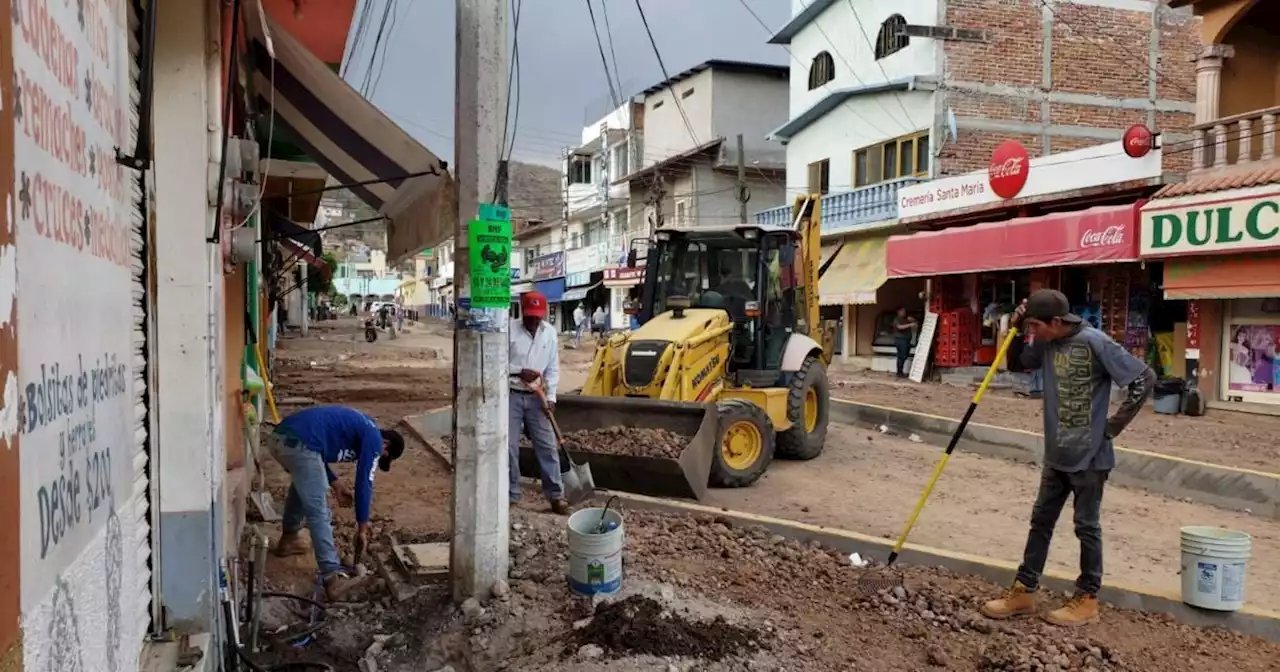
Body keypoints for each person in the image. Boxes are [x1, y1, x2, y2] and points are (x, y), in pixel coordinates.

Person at [981, 289, 1154, 627]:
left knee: (1086, 527)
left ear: (1056, 321)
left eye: (1036, 326)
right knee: (1040, 523)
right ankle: (1025, 591)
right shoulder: (1046, 343)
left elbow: (1144, 378)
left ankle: (1087, 598)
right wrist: (1015, 329)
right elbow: (1017, 363)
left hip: (1090, 456)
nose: (1034, 333)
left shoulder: (1095, 342)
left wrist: (1112, 427)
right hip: (1056, 452)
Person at [269, 405, 406, 600]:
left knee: (304, 484)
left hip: (281, 439)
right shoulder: (374, 437)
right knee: (320, 512)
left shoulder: (360, 425)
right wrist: (362, 526)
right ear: (386, 444)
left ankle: (289, 539)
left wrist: (337, 484)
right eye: (381, 455)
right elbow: (364, 481)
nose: (376, 455)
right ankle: (332, 579)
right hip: (298, 443)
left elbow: (315, 454)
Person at [508, 291, 567, 514]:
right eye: (529, 316)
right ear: (522, 311)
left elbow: (552, 368)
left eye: (537, 317)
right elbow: (496, 364)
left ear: (544, 314)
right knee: (509, 447)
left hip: (537, 396)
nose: (533, 321)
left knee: (547, 446)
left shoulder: (549, 334)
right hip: (511, 394)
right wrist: (518, 372)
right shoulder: (509, 331)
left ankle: (555, 495)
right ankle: (511, 494)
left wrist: (551, 398)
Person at [892, 307, 917, 378]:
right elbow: (899, 327)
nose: (904, 312)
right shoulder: (896, 319)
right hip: (900, 339)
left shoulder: (907, 318)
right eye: (902, 311)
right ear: (898, 312)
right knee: (901, 356)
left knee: (905, 355)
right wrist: (910, 325)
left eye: (905, 311)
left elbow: (916, 323)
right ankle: (899, 372)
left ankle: (900, 372)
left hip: (907, 340)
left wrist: (913, 320)